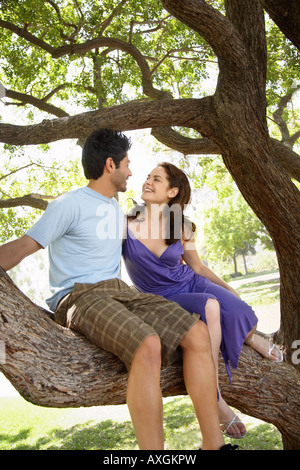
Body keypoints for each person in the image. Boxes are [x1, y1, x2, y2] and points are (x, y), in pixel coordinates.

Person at [0, 129, 237, 451]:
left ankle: (214, 444)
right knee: (147, 343)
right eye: (127, 163)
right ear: (110, 165)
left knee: (197, 333)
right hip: (80, 295)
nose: (132, 171)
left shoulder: (116, 209)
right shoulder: (68, 204)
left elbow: (161, 230)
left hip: (120, 291)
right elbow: (23, 247)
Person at [122, 161, 283, 440]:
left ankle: (249, 337)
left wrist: (227, 286)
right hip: (161, 298)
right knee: (211, 306)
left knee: (238, 308)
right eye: (148, 177)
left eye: (156, 179)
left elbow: (197, 267)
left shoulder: (181, 226)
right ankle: (217, 400)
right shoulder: (125, 224)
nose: (147, 181)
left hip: (192, 283)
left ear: (172, 192)